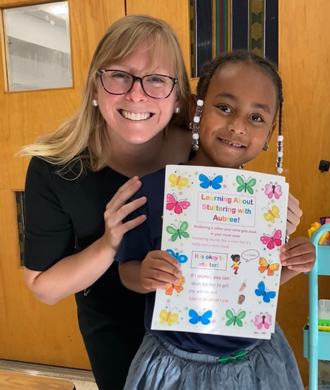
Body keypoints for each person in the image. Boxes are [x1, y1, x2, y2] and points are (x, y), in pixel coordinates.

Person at [116, 50, 316, 390]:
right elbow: (126, 270)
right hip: (172, 365)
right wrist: (146, 275)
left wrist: (293, 264)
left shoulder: (266, 204)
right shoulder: (150, 191)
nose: (237, 126)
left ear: (270, 134)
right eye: (224, 108)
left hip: (256, 363)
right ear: (197, 109)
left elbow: (252, 285)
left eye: (256, 118)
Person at [20, 15, 193, 390]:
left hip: (200, 337)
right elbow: (44, 287)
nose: (137, 94)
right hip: (117, 334)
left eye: (157, 79)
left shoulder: (202, 158)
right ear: (95, 87)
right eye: (119, 75)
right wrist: (109, 243)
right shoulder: (55, 168)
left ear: (177, 98)